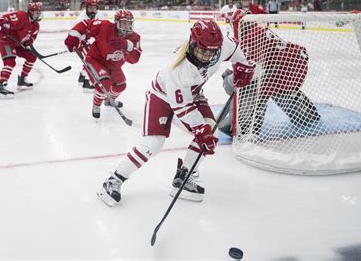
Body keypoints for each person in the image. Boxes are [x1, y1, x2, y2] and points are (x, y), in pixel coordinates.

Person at [97, 20, 255, 207]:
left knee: (210, 132)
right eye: (203, 51)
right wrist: (199, 129)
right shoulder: (178, 68)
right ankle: (114, 179)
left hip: (193, 94)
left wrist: (243, 65)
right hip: (162, 96)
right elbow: (182, 106)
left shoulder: (219, 46)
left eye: (212, 51)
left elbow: (235, 48)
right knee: (153, 142)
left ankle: (184, 177)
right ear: (193, 44)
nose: (207, 56)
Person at [221, 18, 321, 140]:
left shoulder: (249, 38)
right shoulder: (261, 31)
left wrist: (228, 80)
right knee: (271, 88)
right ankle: (307, 115)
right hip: (288, 75)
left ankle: (244, 124)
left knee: (246, 85)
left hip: (276, 77)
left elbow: (249, 75)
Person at [64, 9, 142, 118]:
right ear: (117, 22)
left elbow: (135, 59)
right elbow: (86, 24)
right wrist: (74, 35)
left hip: (114, 66)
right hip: (96, 60)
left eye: (129, 23)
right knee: (104, 84)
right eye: (124, 23)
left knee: (121, 86)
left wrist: (127, 46)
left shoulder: (134, 38)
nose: (127, 26)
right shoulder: (105, 26)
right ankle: (96, 105)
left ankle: (109, 100)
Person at [0, 2, 43, 98]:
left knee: (31, 56)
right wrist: (5, 25)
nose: (38, 14)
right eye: (36, 12)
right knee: (10, 62)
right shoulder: (21, 15)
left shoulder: (36, 26)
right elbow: (2, 19)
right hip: (6, 41)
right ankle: (1, 86)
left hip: (17, 44)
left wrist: (27, 43)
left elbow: (30, 40)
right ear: (30, 12)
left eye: (39, 12)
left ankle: (22, 80)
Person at [74, 0, 101, 91]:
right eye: (91, 7)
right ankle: (87, 82)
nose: (93, 10)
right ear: (86, 7)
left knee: (91, 59)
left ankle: (82, 76)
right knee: (90, 60)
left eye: (95, 7)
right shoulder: (81, 19)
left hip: (92, 41)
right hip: (82, 42)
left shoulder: (99, 14)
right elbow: (77, 34)